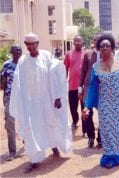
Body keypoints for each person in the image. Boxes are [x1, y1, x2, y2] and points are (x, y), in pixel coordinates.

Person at [9, 33, 72, 173]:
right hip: (32, 103)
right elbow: (18, 83)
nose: (30, 46)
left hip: (48, 100)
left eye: (33, 43)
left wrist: (57, 97)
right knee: (33, 128)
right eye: (28, 44)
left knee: (52, 122)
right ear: (25, 44)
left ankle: (55, 146)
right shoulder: (23, 62)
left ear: (38, 43)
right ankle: (35, 159)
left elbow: (58, 74)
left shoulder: (46, 56)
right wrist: (21, 102)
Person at [83, 34, 119, 169]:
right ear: (98, 48)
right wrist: (87, 106)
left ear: (112, 47)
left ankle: (118, 155)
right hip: (105, 104)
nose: (105, 48)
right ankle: (109, 155)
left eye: (108, 45)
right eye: (102, 46)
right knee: (107, 129)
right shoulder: (96, 67)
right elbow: (92, 88)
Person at [79, 34, 102, 148]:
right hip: (88, 87)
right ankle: (91, 137)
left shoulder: (105, 53)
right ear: (93, 41)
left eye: (99, 40)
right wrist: (80, 87)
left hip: (102, 88)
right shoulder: (88, 54)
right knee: (88, 113)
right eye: (95, 40)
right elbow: (83, 71)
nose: (97, 42)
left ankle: (101, 138)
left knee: (102, 114)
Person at [0, 45, 22, 161]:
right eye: (16, 51)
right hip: (10, 98)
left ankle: (28, 144)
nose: (18, 52)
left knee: (26, 121)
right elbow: (2, 82)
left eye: (20, 51)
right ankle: (12, 151)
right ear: (11, 52)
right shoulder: (7, 65)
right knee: (9, 124)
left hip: (24, 98)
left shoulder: (25, 65)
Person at [64, 35, 85, 132]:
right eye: (75, 41)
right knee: (73, 106)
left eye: (79, 41)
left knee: (84, 107)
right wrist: (64, 80)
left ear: (82, 42)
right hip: (72, 86)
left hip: (83, 86)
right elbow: (65, 68)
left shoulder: (86, 54)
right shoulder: (68, 54)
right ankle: (75, 120)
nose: (77, 42)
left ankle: (85, 126)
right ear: (73, 43)